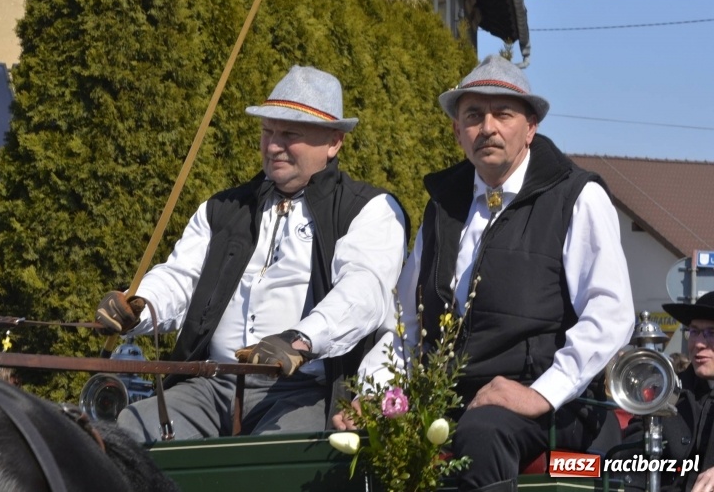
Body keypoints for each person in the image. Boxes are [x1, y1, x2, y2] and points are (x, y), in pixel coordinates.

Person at [333, 55, 635, 492]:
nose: (488, 127)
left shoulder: (578, 196)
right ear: (458, 131)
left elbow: (611, 315)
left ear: (530, 127)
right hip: (451, 397)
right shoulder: (443, 206)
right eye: (473, 115)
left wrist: (541, 392)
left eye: (503, 114)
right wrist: (376, 393)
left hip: (554, 404)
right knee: (360, 435)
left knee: (480, 434)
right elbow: (405, 325)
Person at [95, 65, 408, 443]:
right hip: (209, 385)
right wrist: (142, 304)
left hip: (299, 393)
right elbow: (181, 276)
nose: (274, 145)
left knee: (275, 459)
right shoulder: (224, 207)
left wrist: (300, 340)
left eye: (289, 133)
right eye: (267, 131)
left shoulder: (369, 209)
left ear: (334, 141)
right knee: (130, 432)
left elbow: (363, 294)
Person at [618, 291, 714, 492]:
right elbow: (630, 459)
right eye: (694, 331)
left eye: (711, 333)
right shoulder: (665, 392)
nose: (698, 343)